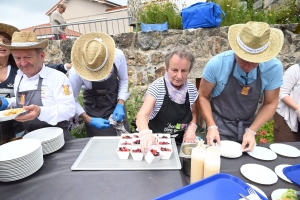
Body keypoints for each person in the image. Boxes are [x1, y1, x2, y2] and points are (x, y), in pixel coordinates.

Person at [198, 21, 284, 152]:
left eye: (255, 62)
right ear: (236, 50)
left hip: (248, 126)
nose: (248, 67)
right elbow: (203, 96)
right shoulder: (217, 64)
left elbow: (271, 103)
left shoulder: (273, 68)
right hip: (219, 125)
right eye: (244, 60)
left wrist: (252, 131)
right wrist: (211, 126)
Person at [0, 31, 75, 141]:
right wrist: (5, 102)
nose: (23, 63)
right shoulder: (19, 77)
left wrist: (40, 112)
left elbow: (69, 109)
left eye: (28, 57)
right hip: (30, 139)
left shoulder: (57, 77)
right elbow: (22, 102)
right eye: (18, 58)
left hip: (58, 138)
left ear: (42, 56)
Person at [136, 46, 199, 153]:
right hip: (155, 144)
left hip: (179, 144)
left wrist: (191, 128)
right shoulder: (157, 87)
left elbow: (193, 112)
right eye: (174, 70)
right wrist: (145, 134)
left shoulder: (192, 90)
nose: (179, 76)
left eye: (184, 71)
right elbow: (142, 115)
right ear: (167, 67)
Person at [69, 32, 130, 137]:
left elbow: (124, 80)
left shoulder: (118, 56)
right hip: (93, 112)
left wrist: (120, 104)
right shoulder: (75, 72)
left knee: (124, 143)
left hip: (115, 105)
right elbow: (71, 100)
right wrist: (89, 120)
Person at [274, 62, 300, 142]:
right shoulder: (295, 70)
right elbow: (281, 92)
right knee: (286, 148)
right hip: (287, 116)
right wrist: (298, 109)